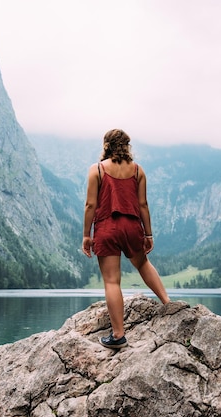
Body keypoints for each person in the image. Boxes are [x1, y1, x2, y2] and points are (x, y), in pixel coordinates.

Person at [82, 128, 171, 349]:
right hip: (132, 226)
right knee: (142, 263)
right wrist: (148, 233)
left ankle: (118, 335)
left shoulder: (97, 170)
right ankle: (169, 305)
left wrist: (86, 235)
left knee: (112, 281)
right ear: (127, 146)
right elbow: (143, 205)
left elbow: (90, 205)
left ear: (106, 145)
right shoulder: (139, 171)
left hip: (107, 227)